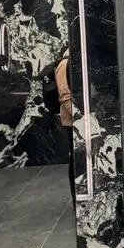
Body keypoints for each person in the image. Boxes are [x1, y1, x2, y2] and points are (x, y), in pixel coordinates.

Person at [54, 47, 75, 202]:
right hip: (71, 122)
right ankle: (76, 199)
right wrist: (80, 117)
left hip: (78, 120)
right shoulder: (64, 64)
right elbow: (64, 96)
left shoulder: (75, 62)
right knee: (74, 159)